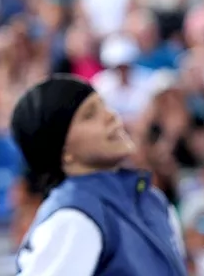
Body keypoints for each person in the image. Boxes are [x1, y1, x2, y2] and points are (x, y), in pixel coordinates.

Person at [11, 74, 188, 275]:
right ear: (62, 149)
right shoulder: (74, 218)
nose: (110, 116)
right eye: (89, 115)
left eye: (103, 105)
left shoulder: (154, 201)